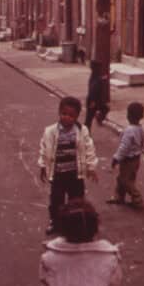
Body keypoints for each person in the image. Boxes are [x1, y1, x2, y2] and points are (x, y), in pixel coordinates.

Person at [38, 96, 98, 235]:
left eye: (71, 115)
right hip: (58, 174)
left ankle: (75, 222)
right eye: (64, 114)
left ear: (77, 116)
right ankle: (55, 222)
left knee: (76, 200)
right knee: (56, 201)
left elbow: (89, 148)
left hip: (75, 175)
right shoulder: (50, 131)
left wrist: (91, 167)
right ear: (59, 112)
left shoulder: (82, 131)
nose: (67, 117)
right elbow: (44, 148)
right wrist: (42, 165)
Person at [108, 102, 144, 208]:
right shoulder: (140, 129)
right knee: (127, 178)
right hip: (136, 158)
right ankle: (119, 197)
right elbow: (142, 142)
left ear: (128, 115)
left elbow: (124, 147)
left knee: (124, 180)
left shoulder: (129, 131)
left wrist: (116, 158)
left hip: (128, 160)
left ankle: (137, 198)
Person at [84, 60, 109, 130]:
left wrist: (102, 79)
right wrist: (92, 101)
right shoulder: (96, 78)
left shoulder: (95, 76)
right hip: (93, 101)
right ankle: (85, 134)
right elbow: (93, 89)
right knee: (88, 119)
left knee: (105, 109)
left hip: (97, 100)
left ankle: (99, 117)